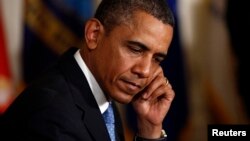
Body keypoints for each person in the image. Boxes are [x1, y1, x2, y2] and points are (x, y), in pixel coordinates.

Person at [0, 0, 175, 140]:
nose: (145, 71)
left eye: (157, 59)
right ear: (94, 34)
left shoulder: (99, 93)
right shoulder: (53, 115)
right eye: (136, 49)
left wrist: (149, 128)